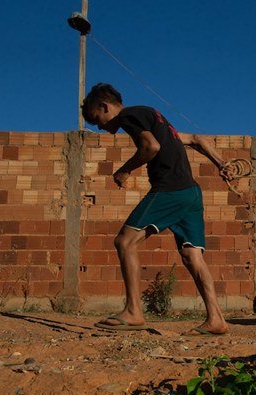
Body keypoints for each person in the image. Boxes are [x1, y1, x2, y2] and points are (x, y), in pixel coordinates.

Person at [81, 83, 236, 335]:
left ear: (104, 106)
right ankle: (216, 318)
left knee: (124, 242)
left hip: (170, 190)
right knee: (192, 256)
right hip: (191, 194)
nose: (100, 127)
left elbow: (151, 147)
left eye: (97, 119)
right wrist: (221, 163)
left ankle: (133, 311)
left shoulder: (128, 116)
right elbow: (196, 139)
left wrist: (125, 169)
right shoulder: (154, 116)